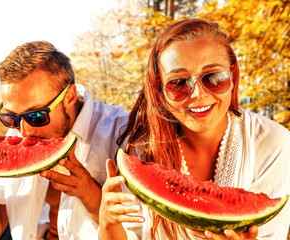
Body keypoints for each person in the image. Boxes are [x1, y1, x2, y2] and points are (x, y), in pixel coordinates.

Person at [99, 19, 290, 240]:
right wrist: (107, 222)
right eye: (178, 83)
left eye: (214, 78)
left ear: (233, 75)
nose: (198, 94)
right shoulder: (142, 149)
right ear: (159, 90)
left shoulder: (274, 143)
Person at [0, 40, 129, 239]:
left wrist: (89, 193)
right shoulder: (17, 133)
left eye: (36, 116)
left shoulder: (122, 134)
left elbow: (141, 233)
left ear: (69, 96)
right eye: (12, 118)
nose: (24, 132)